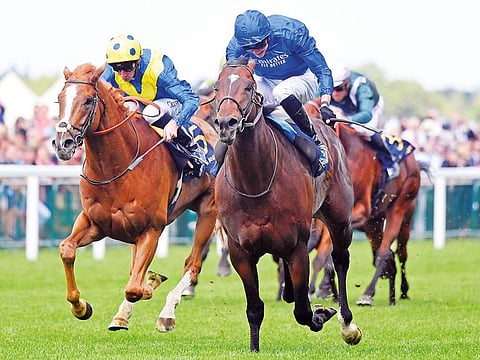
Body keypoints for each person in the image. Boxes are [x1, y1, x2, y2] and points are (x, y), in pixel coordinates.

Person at [225, 10, 337, 174]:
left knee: (281, 91)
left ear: (268, 35)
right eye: (249, 47)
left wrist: (325, 104)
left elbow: (322, 71)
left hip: (303, 76)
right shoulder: (235, 46)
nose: (255, 51)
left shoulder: (291, 33)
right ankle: (219, 158)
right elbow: (233, 80)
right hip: (267, 80)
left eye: (259, 44)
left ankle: (314, 139)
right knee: (246, 99)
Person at [102, 34, 207, 173]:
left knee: (150, 113)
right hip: (140, 103)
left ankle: (192, 148)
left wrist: (175, 123)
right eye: (117, 68)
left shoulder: (158, 69)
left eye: (128, 67)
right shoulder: (110, 71)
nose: (122, 74)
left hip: (169, 103)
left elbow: (192, 100)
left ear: (138, 61)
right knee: (126, 109)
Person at [329, 62, 399, 178]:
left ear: (347, 84)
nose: (334, 93)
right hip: (345, 107)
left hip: (369, 108)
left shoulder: (362, 87)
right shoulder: (328, 86)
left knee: (366, 130)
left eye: (338, 88)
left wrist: (347, 119)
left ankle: (390, 161)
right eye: (332, 88)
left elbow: (366, 114)